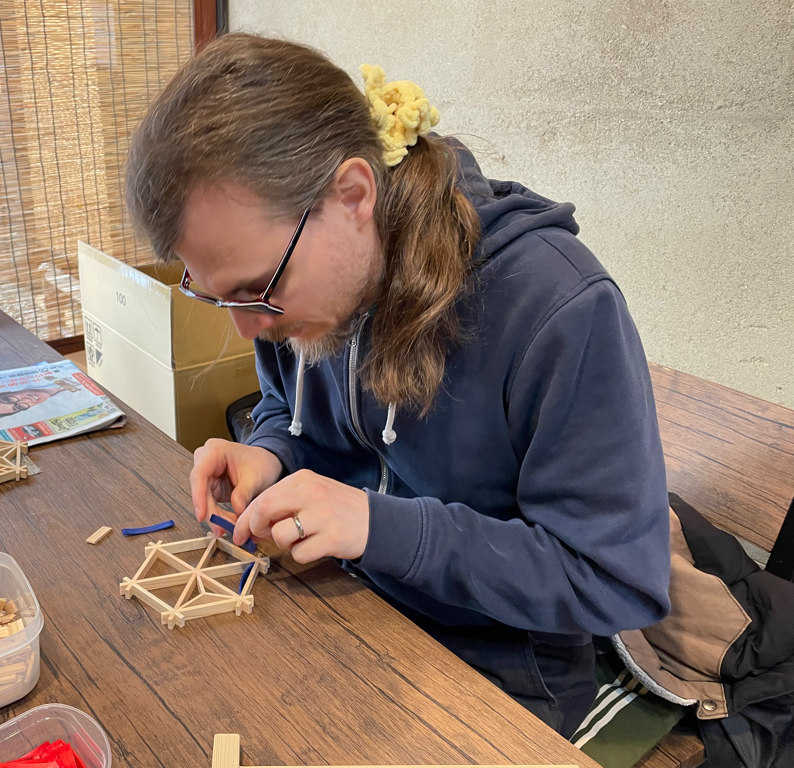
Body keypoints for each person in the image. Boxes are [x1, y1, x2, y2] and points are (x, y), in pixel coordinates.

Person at [125, 33, 671, 737]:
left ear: (352, 195)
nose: (246, 331)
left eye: (257, 290)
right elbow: (286, 407)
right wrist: (270, 453)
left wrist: (379, 527)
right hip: (346, 604)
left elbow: (613, 580)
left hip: (497, 674)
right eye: (218, 296)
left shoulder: (557, 308)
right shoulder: (307, 287)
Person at [0, 384, 66, 420]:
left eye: (9, 399)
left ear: (4, 392)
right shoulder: (62, 406)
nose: (26, 400)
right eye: (18, 407)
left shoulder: (39, 378)